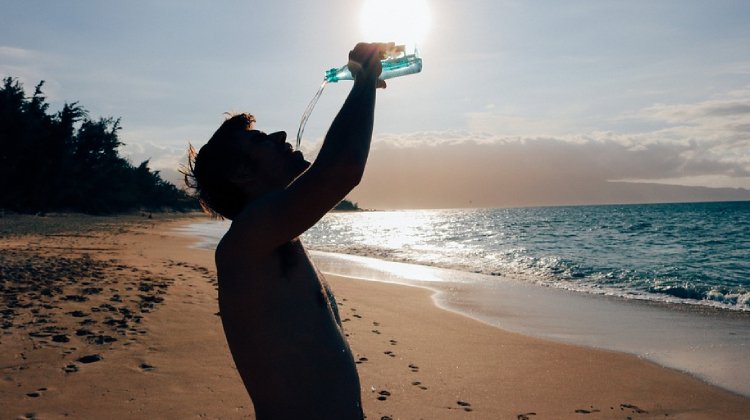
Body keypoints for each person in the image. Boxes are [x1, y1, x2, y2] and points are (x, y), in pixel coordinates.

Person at [183, 42, 388, 419]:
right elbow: (340, 169)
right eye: (259, 140)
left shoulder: (274, 238)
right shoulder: (245, 243)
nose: (279, 135)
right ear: (241, 173)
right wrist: (363, 80)